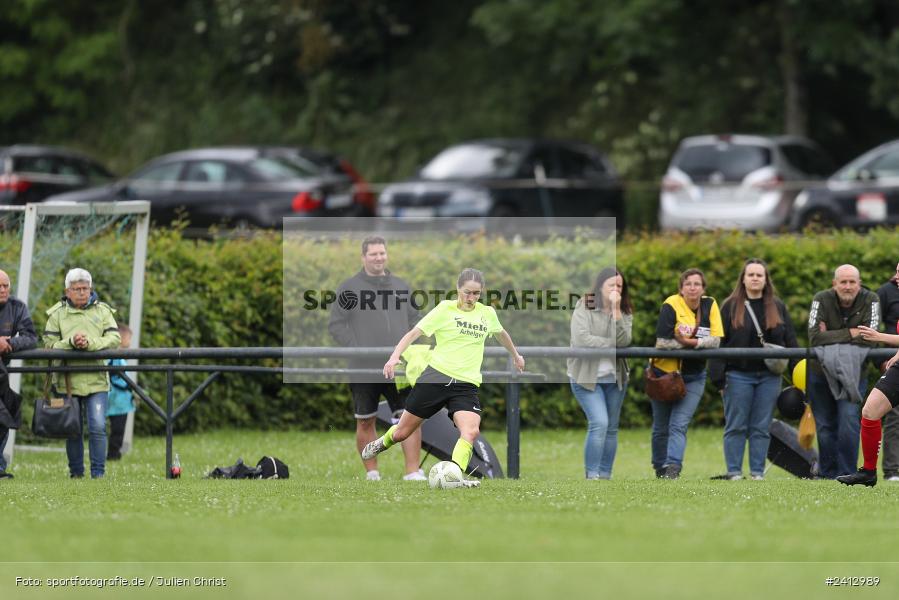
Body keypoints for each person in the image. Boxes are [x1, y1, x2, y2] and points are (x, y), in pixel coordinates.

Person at [361, 268, 525, 487]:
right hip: (435, 378)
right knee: (402, 432)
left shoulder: (487, 313)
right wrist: (394, 356)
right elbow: (413, 333)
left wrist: (515, 355)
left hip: (466, 385)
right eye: (467, 292)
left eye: (477, 294)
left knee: (470, 431)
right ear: (458, 289)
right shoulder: (444, 309)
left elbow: (501, 333)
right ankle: (383, 441)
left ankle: (454, 475)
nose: (471, 298)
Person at [328, 236, 425, 481]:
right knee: (365, 421)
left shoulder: (401, 286)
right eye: (373, 254)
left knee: (409, 419)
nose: (379, 258)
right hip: (363, 367)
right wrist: (357, 348)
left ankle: (412, 472)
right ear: (363, 258)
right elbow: (336, 325)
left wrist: (411, 349)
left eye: (382, 253)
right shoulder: (348, 288)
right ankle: (372, 472)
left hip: (400, 368)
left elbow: (417, 321)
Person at [710, 259, 799, 481]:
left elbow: (791, 342)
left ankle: (757, 472)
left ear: (766, 279)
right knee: (736, 425)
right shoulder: (730, 306)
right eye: (751, 275)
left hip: (769, 377)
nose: (755, 278)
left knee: (761, 426)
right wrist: (718, 378)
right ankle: (734, 471)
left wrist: (800, 375)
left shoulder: (777, 306)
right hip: (737, 375)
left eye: (760, 275)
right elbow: (718, 342)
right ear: (743, 278)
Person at [43, 268, 121, 479]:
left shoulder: (103, 311)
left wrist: (90, 344)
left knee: (97, 427)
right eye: (76, 289)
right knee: (73, 429)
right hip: (67, 381)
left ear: (91, 289)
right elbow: (48, 345)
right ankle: (76, 474)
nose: (81, 292)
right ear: (67, 291)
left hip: (97, 380)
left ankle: (98, 474)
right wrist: (71, 342)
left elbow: (115, 339)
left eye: (85, 288)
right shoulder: (57, 314)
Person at [807, 264, 879, 479]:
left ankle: (847, 473)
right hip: (819, 372)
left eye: (852, 282)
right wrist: (852, 333)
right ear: (834, 284)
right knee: (825, 425)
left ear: (859, 283)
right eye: (843, 282)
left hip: (855, 374)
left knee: (848, 422)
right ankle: (827, 474)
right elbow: (814, 338)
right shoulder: (820, 298)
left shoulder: (871, 299)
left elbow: (871, 340)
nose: (847, 286)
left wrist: (831, 335)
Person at [651, 268, 723, 480]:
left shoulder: (710, 304)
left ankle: (673, 468)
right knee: (660, 427)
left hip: (694, 375)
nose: (693, 288)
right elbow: (662, 342)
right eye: (688, 284)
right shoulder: (670, 304)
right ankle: (659, 467)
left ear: (703, 288)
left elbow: (716, 340)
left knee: (678, 424)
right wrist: (701, 344)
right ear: (681, 288)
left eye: (697, 284)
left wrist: (687, 342)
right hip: (664, 374)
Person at [567, 267, 633, 480]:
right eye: (611, 285)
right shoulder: (584, 305)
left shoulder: (624, 310)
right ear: (600, 286)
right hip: (586, 378)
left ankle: (605, 475)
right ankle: (592, 475)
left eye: (619, 286)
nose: (616, 289)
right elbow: (581, 339)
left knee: (612, 428)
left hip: (615, 378)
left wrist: (615, 312)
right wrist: (611, 345)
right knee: (600, 423)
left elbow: (624, 341)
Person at [0, 270, 38, 479]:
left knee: (6, 414)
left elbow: (31, 337)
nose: (3, 290)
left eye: (6, 285)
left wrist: (9, 344)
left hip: (2, 374)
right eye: (0, 286)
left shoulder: (17, 306)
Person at [871, 262, 899, 482]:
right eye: (897, 271)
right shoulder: (885, 292)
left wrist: (879, 337)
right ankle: (891, 471)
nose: (896, 276)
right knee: (891, 417)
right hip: (892, 362)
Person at [106, 324, 135, 461]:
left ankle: (114, 452)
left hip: (119, 399)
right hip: (118, 400)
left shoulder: (118, 357)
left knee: (116, 429)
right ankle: (113, 454)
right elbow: (117, 378)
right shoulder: (115, 357)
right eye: (129, 338)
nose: (130, 342)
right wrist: (130, 387)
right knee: (117, 429)